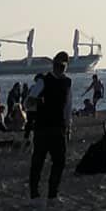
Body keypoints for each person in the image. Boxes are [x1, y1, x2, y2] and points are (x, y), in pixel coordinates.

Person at [27, 51, 73, 200]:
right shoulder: (43, 81)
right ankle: (34, 194)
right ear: (54, 65)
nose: (60, 68)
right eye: (58, 65)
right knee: (38, 162)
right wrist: (41, 104)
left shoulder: (67, 83)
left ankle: (53, 194)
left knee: (59, 161)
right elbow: (28, 102)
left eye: (63, 66)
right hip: (43, 127)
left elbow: (68, 106)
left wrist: (68, 126)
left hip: (59, 127)